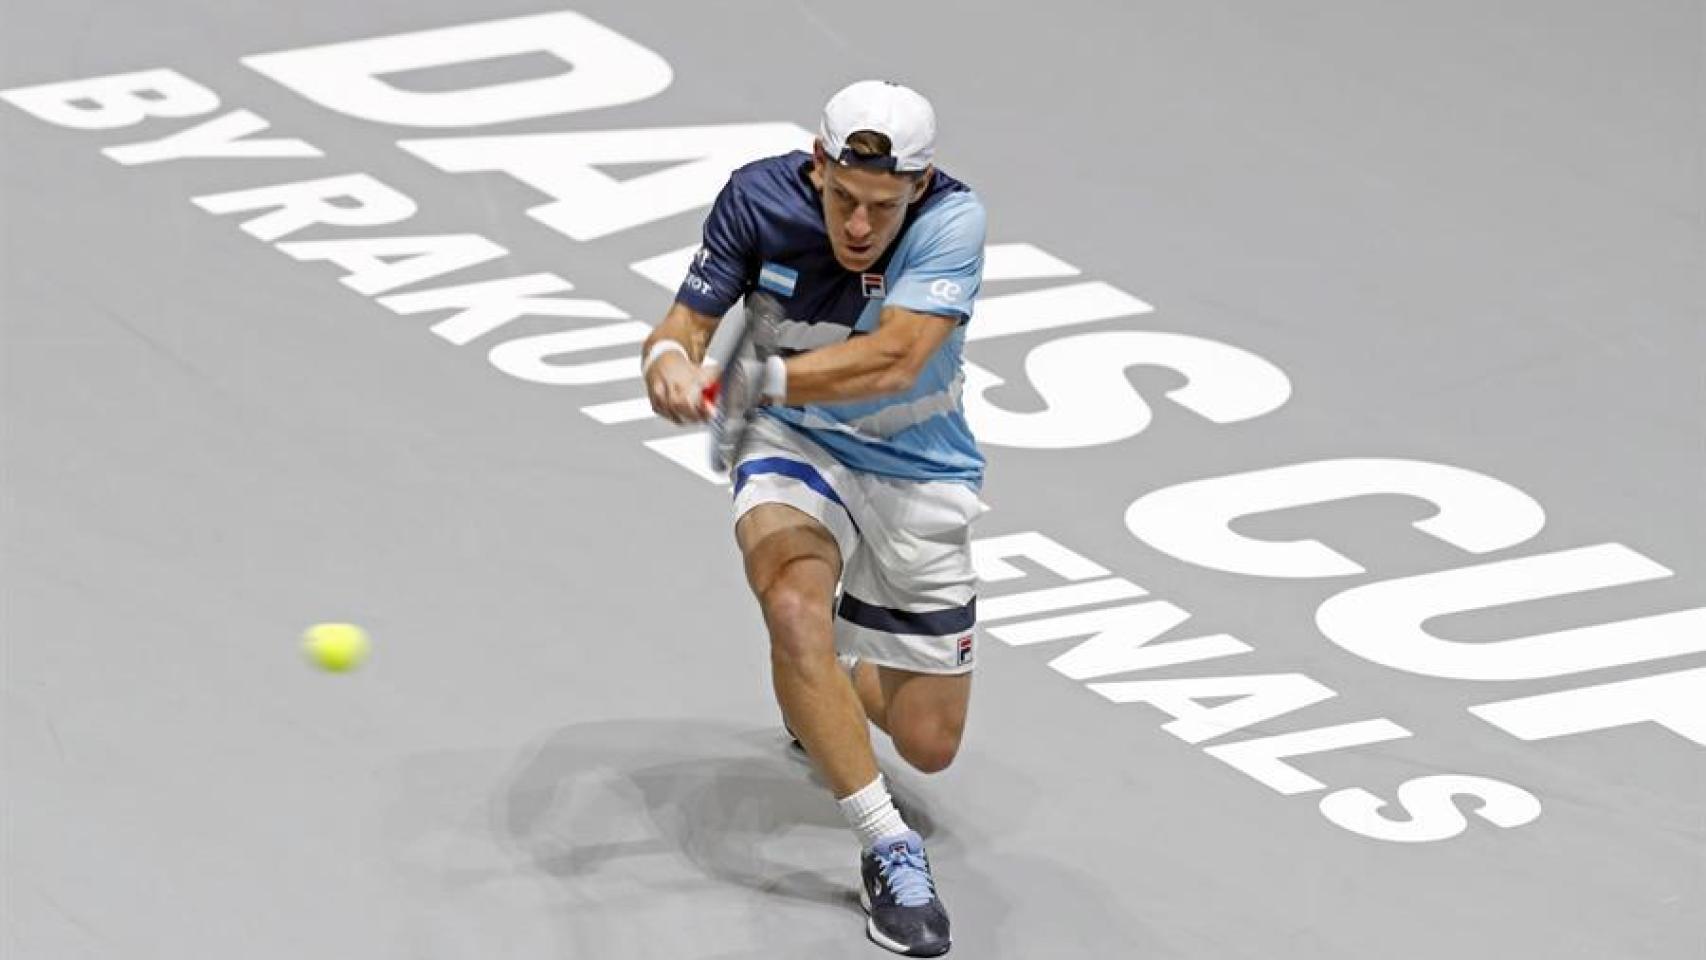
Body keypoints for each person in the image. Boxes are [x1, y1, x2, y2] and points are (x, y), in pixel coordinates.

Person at [640, 79, 987, 958]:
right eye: (842, 197)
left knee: (928, 743)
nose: (860, 225)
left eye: (882, 205)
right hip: (793, 444)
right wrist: (669, 360)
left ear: (920, 185)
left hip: (919, 465)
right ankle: (888, 849)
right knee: (793, 605)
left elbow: (897, 358)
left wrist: (758, 379)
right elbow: (683, 324)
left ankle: (819, 687)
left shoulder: (954, 221)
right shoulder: (757, 198)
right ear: (817, 163)